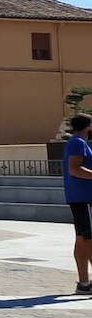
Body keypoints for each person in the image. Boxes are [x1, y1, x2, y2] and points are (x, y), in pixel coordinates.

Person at [62, 113, 92, 295]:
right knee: (88, 238)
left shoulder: (75, 142)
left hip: (78, 197)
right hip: (83, 197)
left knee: (82, 239)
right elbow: (74, 169)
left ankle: (84, 284)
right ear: (88, 126)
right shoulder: (78, 143)